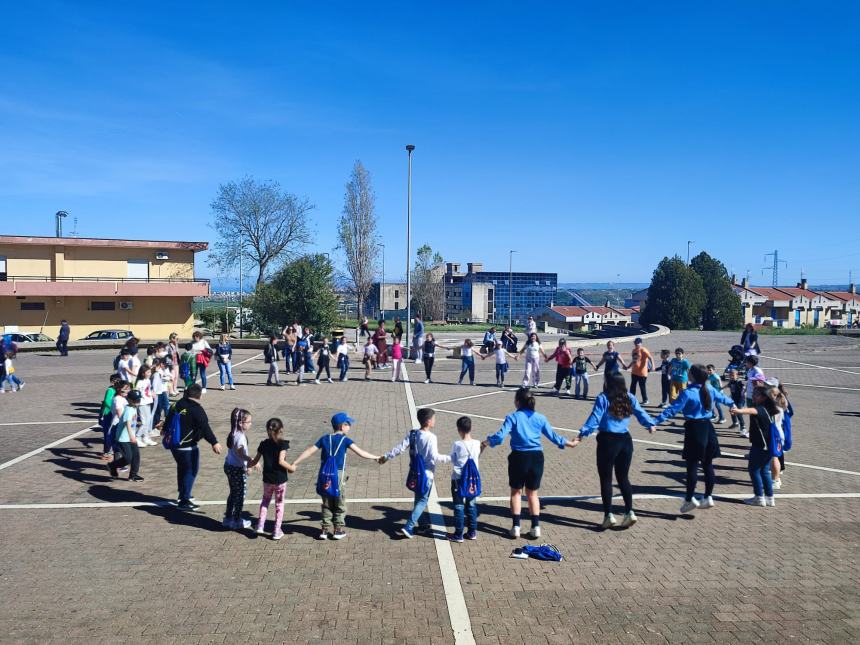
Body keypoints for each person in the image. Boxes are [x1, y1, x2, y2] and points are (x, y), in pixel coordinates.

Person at [480, 388, 577, 538]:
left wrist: (486, 442)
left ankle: (516, 527)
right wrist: (568, 443)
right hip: (536, 457)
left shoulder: (512, 417)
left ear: (518, 402)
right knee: (532, 493)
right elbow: (553, 436)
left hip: (519, 457)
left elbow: (500, 437)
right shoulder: (540, 418)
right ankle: (535, 526)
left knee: (516, 492)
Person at [570, 373, 657, 529]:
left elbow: (594, 418)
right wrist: (650, 424)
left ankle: (608, 515)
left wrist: (581, 435)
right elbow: (640, 412)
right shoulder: (629, 397)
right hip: (625, 441)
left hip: (608, 441)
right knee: (623, 478)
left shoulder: (603, 398)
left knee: (606, 479)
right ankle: (629, 511)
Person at [652, 364, 735, 513]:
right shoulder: (709, 388)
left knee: (692, 466)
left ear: (693, 376)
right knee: (708, 465)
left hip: (694, 430)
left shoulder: (688, 393)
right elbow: (725, 399)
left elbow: (671, 410)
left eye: (690, 372)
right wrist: (733, 405)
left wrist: (655, 421)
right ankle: (708, 496)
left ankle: (690, 499)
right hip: (709, 429)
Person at [292, 412, 381, 540]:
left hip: (324, 474)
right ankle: (337, 530)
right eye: (348, 424)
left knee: (326, 502)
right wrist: (376, 457)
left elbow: (310, 451)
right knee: (339, 502)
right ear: (341, 426)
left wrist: (295, 462)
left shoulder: (324, 438)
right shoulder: (345, 440)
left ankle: (324, 530)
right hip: (338, 475)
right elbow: (361, 453)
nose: (350, 426)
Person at [380, 407, 450, 538]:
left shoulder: (413, 434)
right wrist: (451, 457)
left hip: (414, 473)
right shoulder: (431, 437)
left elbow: (400, 448)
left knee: (418, 500)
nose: (435, 421)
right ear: (429, 421)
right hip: (427, 474)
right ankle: (409, 526)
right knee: (423, 501)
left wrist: (386, 456)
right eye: (434, 419)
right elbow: (434, 456)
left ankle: (423, 524)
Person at [167, 384, 223, 510]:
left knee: (182, 468)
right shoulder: (196, 409)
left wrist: (164, 429)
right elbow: (205, 427)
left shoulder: (176, 404)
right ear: (199, 395)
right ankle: (184, 500)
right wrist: (214, 442)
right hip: (188, 445)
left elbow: (168, 420)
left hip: (174, 444)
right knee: (191, 470)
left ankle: (183, 492)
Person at [731, 386, 779, 507]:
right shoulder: (770, 408)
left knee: (754, 470)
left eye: (756, 394)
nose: (753, 396)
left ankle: (759, 497)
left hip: (760, 446)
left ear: (764, 397)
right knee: (764, 471)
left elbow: (752, 411)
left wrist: (738, 411)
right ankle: (769, 498)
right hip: (769, 446)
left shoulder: (762, 409)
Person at [249, 417, 296, 540]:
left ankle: (260, 525)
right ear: (281, 430)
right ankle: (276, 530)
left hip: (267, 479)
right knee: (279, 504)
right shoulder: (283, 444)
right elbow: (281, 461)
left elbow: (255, 460)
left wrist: (248, 466)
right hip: (280, 480)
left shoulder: (263, 444)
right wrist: (291, 468)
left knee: (265, 501)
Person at [444, 416, 481, 542]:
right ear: (471, 428)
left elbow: (453, 459)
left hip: (458, 478)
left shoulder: (457, 444)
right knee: (471, 505)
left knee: (459, 506)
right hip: (472, 479)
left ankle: (458, 534)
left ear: (459, 430)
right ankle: (472, 532)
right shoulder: (477, 443)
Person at [223, 408, 254, 530]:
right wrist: (250, 462)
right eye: (249, 421)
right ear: (241, 423)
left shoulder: (233, 433)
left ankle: (228, 518)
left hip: (229, 466)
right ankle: (236, 520)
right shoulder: (240, 437)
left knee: (233, 493)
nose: (251, 423)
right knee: (240, 494)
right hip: (237, 469)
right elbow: (241, 454)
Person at [109, 389, 144, 481]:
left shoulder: (134, 408)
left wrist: (133, 435)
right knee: (128, 458)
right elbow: (128, 424)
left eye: (139, 400)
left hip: (131, 436)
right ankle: (112, 465)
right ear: (129, 400)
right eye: (136, 400)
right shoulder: (128, 410)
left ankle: (133, 475)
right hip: (123, 438)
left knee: (136, 456)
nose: (138, 402)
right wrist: (132, 436)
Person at [106, 380, 131, 461]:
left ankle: (118, 465)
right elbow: (120, 414)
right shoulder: (118, 399)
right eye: (125, 389)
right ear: (119, 389)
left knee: (120, 446)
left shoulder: (122, 398)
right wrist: (127, 425)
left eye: (129, 389)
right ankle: (118, 465)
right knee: (118, 447)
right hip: (117, 425)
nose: (128, 391)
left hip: (120, 425)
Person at [134, 365, 157, 446]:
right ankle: (137, 437)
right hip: (142, 404)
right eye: (148, 372)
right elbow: (136, 392)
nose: (150, 373)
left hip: (148, 402)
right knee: (144, 422)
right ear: (143, 373)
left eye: (150, 372)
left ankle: (146, 437)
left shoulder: (147, 380)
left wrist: (152, 393)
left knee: (148, 421)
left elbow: (148, 390)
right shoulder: (140, 382)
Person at [98, 375, 121, 456]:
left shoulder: (118, 390)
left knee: (112, 432)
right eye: (116, 380)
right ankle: (106, 451)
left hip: (113, 414)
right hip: (107, 414)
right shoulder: (110, 390)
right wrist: (113, 408)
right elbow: (107, 401)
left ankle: (111, 448)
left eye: (119, 380)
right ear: (112, 382)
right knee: (107, 432)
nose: (118, 382)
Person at [628, 338, 652, 405]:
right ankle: (631, 399)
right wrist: (628, 367)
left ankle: (645, 399)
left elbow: (650, 357)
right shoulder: (634, 350)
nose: (636, 344)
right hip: (634, 371)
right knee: (632, 386)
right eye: (635, 342)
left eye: (637, 343)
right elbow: (634, 361)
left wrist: (653, 366)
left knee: (642, 386)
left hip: (642, 372)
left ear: (641, 343)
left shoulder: (643, 350)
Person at [151, 358, 171, 429]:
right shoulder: (157, 373)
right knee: (157, 410)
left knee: (161, 408)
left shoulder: (159, 371)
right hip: (158, 393)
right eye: (163, 364)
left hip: (160, 392)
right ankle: (154, 425)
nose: (165, 366)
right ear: (160, 364)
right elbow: (154, 385)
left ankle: (158, 423)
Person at [725, 368, 746, 436]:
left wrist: (743, 392)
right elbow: (728, 385)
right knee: (731, 410)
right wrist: (721, 388)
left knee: (738, 413)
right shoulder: (731, 381)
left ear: (737, 375)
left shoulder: (739, 381)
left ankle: (743, 427)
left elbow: (743, 387)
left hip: (740, 400)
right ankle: (735, 423)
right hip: (733, 399)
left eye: (733, 375)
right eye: (730, 375)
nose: (731, 376)